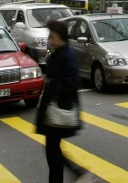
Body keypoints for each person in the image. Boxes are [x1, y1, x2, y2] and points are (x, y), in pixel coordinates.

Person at [36, 19, 96, 183]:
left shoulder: (67, 55)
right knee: (52, 150)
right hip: (52, 106)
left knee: (52, 150)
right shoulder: (57, 52)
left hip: (60, 107)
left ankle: (79, 173)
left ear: (61, 37)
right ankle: (76, 174)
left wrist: (51, 83)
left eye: (53, 36)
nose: (51, 39)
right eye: (50, 36)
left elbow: (74, 82)